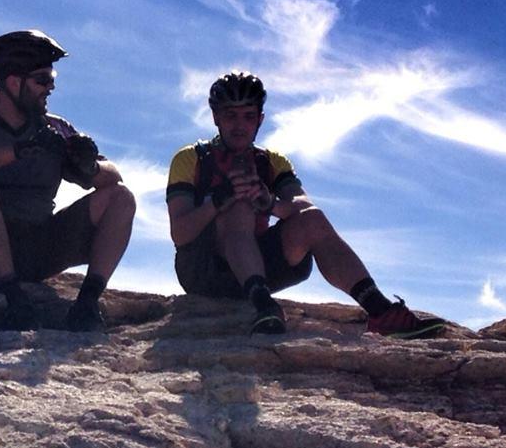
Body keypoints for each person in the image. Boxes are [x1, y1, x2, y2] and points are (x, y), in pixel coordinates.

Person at [166, 71, 447, 339]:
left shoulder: (272, 162)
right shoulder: (192, 159)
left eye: (248, 116)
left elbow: (302, 205)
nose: (239, 125)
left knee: (311, 218)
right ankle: (263, 305)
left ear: (260, 120)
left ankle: (380, 310)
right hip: (204, 271)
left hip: (260, 268)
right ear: (216, 118)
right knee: (238, 207)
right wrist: (219, 200)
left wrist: (269, 203)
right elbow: (180, 233)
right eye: (230, 116)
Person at [0, 30, 136, 332]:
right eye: (42, 80)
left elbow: (115, 179)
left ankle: (86, 305)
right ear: (13, 82)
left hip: (38, 247)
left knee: (121, 197)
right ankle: (13, 300)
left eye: (52, 78)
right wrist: (17, 151)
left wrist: (87, 165)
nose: (51, 87)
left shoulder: (55, 128)